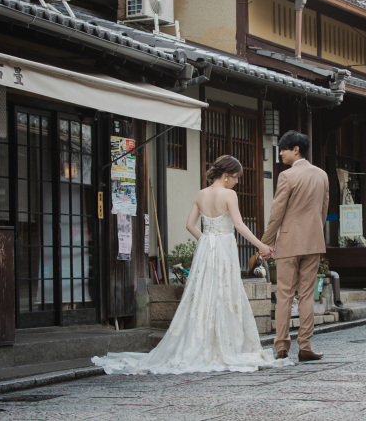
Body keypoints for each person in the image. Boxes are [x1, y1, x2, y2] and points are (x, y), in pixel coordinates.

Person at [92, 155, 292, 374]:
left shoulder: (201, 194)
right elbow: (238, 225)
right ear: (227, 176)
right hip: (224, 247)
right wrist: (261, 245)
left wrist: (207, 240)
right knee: (226, 292)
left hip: (207, 247)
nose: (237, 181)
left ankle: (200, 341)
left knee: (203, 293)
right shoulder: (229, 195)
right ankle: (226, 343)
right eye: (236, 177)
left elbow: (189, 225)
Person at [261, 130, 329, 362]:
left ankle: (281, 346)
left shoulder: (287, 176)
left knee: (284, 295)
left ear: (296, 149)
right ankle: (306, 345)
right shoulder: (322, 175)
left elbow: (277, 212)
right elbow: (323, 211)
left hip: (289, 242)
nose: (280, 153)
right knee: (307, 295)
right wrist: (315, 233)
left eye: (283, 149)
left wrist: (266, 242)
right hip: (314, 241)